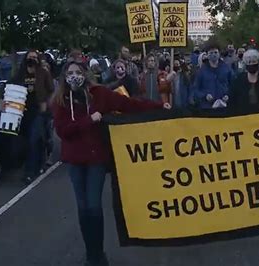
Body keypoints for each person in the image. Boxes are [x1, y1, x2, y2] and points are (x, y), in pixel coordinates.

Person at [52, 61, 170, 266]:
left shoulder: (100, 94)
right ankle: (91, 253)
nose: (74, 76)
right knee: (83, 208)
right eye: (69, 73)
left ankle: (99, 255)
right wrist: (90, 120)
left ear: (85, 74)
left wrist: (160, 106)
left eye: (78, 72)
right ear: (64, 77)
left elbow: (130, 104)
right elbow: (63, 131)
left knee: (94, 206)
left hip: (96, 159)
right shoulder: (60, 100)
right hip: (74, 161)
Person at [9, 50, 54, 184]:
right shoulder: (20, 73)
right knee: (30, 141)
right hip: (22, 111)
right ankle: (38, 163)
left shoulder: (43, 72)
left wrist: (46, 104)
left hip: (38, 111)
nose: (32, 59)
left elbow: (51, 90)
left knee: (33, 139)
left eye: (35, 57)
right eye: (30, 57)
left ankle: (29, 172)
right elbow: (10, 86)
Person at [192, 43, 232, 109]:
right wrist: (204, 96)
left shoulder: (227, 68)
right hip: (207, 107)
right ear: (207, 55)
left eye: (216, 52)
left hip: (224, 105)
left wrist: (228, 95)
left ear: (219, 54)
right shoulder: (201, 71)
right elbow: (195, 89)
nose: (214, 55)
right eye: (211, 53)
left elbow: (233, 85)